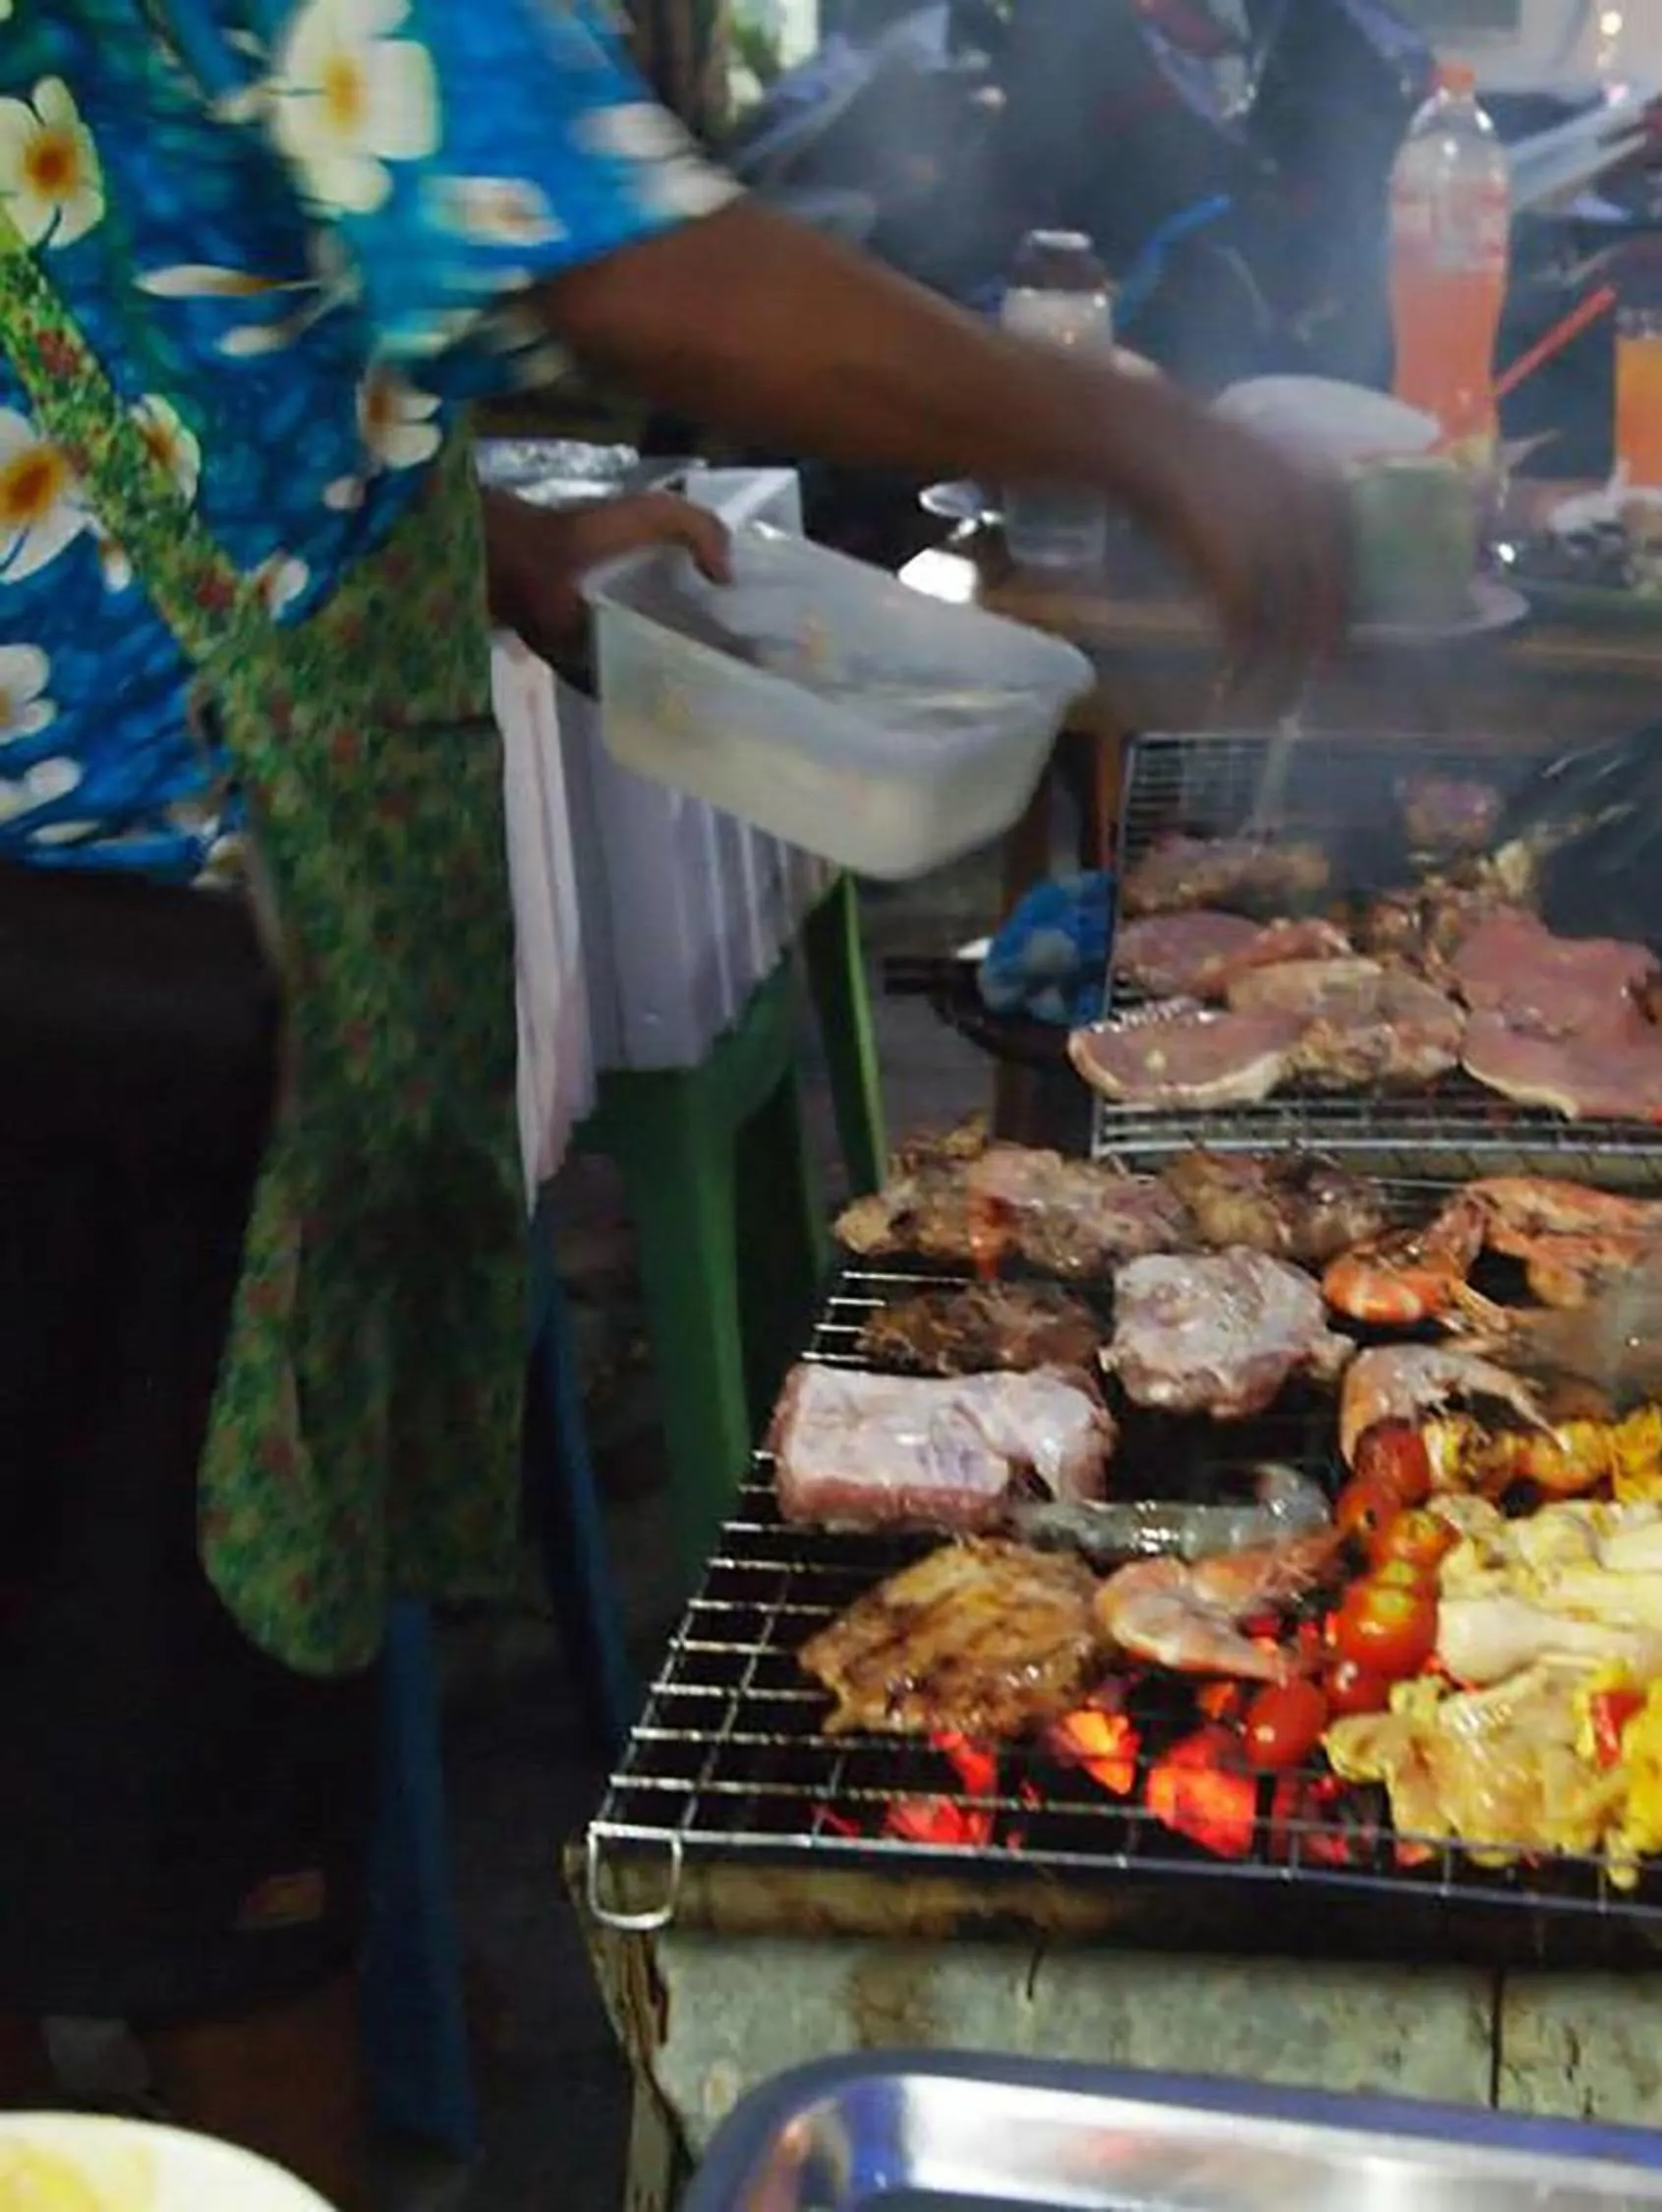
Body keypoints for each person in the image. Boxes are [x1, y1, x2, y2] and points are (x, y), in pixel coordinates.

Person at [0, 7, 1344, 2206]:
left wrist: (472, 536)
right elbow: (631, 255)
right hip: (122, 1015)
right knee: (212, 1834)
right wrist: (1150, 437)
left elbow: (137, 272)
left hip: (85, 948)